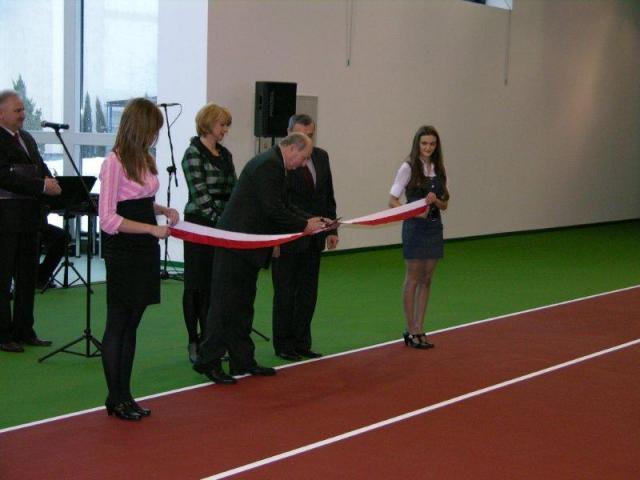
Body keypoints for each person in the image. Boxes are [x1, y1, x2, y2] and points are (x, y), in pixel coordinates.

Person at [193, 132, 327, 384]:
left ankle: (242, 360)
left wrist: (313, 220)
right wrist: (304, 225)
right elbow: (273, 209)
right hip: (235, 246)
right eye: (304, 157)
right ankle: (208, 360)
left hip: (247, 247)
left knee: (243, 305)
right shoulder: (269, 166)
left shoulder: (275, 165)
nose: (303, 163)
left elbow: (282, 206)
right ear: (292, 149)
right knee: (225, 306)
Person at [98, 97, 179, 420]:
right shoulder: (113, 162)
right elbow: (108, 218)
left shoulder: (145, 158)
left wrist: (162, 209)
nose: (154, 136)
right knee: (118, 322)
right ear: (139, 127)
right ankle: (115, 397)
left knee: (132, 324)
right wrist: (150, 228)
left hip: (144, 247)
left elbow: (138, 198)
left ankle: (125, 394)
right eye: (152, 130)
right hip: (123, 249)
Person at [271, 114, 338, 361]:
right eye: (301, 134)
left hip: (315, 236)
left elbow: (327, 195)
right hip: (288, 236)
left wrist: (332, 229)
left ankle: (302, 342)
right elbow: (276, 205)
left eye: (310, 135)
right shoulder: (277, 161)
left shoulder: (321, 156)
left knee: (308, 293)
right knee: (286, 292)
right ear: (289, 134)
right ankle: (283, 344)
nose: (306, 139)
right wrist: (274, 239)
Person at [0, 89, 61, 353]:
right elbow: (5, 176)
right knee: (3, 279)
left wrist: (51, 182)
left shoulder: (26, 138)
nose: (23, 115)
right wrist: (40, 186)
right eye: (18, 110)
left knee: (27, 278)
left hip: (29, 218)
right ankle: (3, 335)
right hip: (6, 220)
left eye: (23, 109)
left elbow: (39, 166)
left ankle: (24, 330)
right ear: (1, 114)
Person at [181, 103, 236, 363]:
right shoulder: (192, 154)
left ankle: (211, 338)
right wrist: (221, 223)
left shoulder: (225, 154)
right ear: (208, 124)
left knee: (215, 286)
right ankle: (194, 340)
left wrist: (233, 220)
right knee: (196, 285)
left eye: (226, 125)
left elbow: (235, 190)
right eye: (221, 125)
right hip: (199, 225)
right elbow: (200, 196)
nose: (225, 130)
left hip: (221, 226)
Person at [388, 125, 449, 349]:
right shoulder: (408, 167)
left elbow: (445, 204)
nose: (428, 148)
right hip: (414, 228)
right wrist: (413, 211)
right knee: (413, 278)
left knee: (426, 279)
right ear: (417, 144)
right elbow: (392, 200)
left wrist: (435, 201)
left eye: (432, 144)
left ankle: (420, 327)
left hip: (434, 228)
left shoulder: (439, 168)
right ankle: (411, 329)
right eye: (424, 143)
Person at [37, 222, 69, 290]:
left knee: (64, 237)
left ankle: (42, 275)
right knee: (35, 236)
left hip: (39, 224)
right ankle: (31, 276)